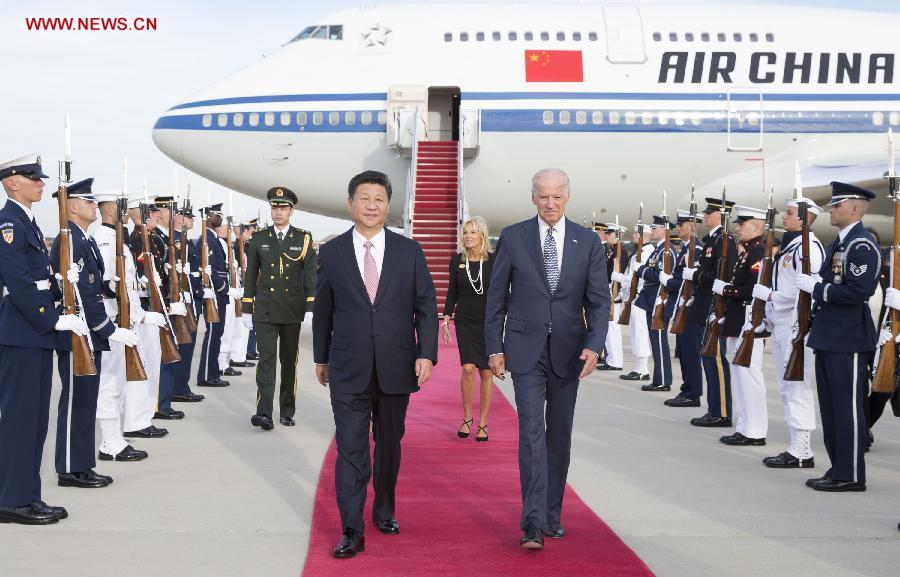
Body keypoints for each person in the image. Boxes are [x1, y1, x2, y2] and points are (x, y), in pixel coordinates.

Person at [313, 170, 437, 558]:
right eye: (364, 199)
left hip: (397, 365)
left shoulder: (409, 251)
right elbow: (323, 311)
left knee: (388, 444)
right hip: (347, 367)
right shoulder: (332, 253)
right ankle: (351, 528)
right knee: (351, 447)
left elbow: (426, 306)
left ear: (388, 205)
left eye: (379, 199)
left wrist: (426, 352)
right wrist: (320, 356)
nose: (371, 206)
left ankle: (384, 508)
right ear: (351, 203)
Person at [485, 168, 609, 550]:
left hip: (569, 351)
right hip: (524, 350)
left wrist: (595, 344)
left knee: (559, 436)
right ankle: (533, 521)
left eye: (556, 196)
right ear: (533, 198)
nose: (550, 203)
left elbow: (599, 301)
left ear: (567, 197)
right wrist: (494, 347)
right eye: (543, 196)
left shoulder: (588, 241)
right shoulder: (513, 237)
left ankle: (552, 514)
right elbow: (496, 297)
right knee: (531, 434)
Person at [0, 153, 85, 524]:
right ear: (11, 182)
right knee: (19, 420)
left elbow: (39, 278)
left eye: (40, 178)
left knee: (35, 422)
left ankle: (28, 495)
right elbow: (18, 283)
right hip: (22, 332)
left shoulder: (29, 222)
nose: (40, 184)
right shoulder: (8, 223)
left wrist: (60, 288)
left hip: (34, 334)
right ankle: (12, 500)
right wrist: (51, 319)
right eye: (33, 178)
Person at [802, 181, 880, 492]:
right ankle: (838, 469)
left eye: (837, 205)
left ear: (855, 208)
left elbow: (857, 292)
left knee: (847, 409)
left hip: (847, 337)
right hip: (829, 334)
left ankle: (851, 474)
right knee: (832, 409)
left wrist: (817, 289)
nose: (831, 210)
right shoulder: (841, 242)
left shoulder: (861, 245)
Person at [755, 198, 825, 467]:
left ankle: (802, 450)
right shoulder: (792, 246)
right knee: (787, 387)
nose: (784, 216)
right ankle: (796, 447)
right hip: (782, 322)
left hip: (797, 323)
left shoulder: (809, 248)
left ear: (805, 218)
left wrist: (771, 297)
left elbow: (805, 289)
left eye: (790, 213)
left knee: (797, 386)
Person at [242, 188, 316, 429]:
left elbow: (311, 276)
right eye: (275, 207)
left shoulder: (303, 238)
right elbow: (250, 274)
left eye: (283, 208)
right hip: (265, 308)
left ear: (291, 211)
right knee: (266, 360)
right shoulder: (260, 238)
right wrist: (246, 307)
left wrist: (310, 306)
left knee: (288, 362)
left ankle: (287, 410)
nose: (278, 212)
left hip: (292, 309)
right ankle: (264, 413)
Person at [92, 190, 153, 461]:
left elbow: (126, 285)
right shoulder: (105, 239)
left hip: (122, 318)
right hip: (112, 320)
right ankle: (109, 441)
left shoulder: (117, 238)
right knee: (110, 382)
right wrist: (128, 317)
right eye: (121, 206)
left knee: (117, 382)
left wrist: (138, 315)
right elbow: (108, 286)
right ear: (108, 209)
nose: (126, 211)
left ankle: (115, 437)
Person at [715, 206, 768, 446]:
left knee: (749, 377)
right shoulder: (747, 251)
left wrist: (726, 290)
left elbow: (753, 288)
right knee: (739, 377)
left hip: (748, 320)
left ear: (756, 226)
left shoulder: (758, 252)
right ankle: (745, 427)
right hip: (738, 319)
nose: (737, 228)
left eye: (741, 224)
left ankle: (755, 431)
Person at [684, 198, 737, 428]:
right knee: (708, 357)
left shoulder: (724, 241)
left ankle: (721, 412)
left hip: (715, 304)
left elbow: (722, 275)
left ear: (721, 215)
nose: (705, 216)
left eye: (710, 212)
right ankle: (714, 409)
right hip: (705, 302)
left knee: (715, 358)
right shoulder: (713, 240)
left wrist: (695, 275)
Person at [442, 215, 493, 441]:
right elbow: (452, 292)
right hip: (465, 321)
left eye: (473, 232)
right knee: (468, 368)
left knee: (486, 371)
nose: (468, 236)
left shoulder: (494, 260)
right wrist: (446, 319)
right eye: (465, 232)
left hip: (488, 322)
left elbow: (503, 291)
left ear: (482, 235)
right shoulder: (456, 261)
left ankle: (483, 421)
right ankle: (467, 417)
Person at [125, 198, 170, 439]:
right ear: (136, 214)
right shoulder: (136, 238)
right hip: (143, 307)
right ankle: (139, 418)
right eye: (149, 213)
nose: (155, 216)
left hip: (154, 305)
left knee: (153, 361)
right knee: (145, 364)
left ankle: (146, 415)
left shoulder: (151, 238)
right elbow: (137, 274)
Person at [664, 209, 704, 407]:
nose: (678, 228)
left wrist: (669, 282)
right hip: (682, 307)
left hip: (691, 307)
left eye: (681, 225)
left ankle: (693, 393)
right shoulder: (686, 249)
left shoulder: (697, 250)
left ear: (692, 226)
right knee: (684, 352)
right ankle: (687, 389)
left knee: (691, 353)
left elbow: (692, 282)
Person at [153, 196, 188, 420]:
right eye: (167, 210)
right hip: (161, 303)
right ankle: (160, 403)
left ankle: (165, 400)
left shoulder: (168, 237)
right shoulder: (155, 237)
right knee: (163, 354)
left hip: (171, 301)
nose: (171, 214)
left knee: (171, 351)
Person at [169, 204, 205, 404]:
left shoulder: (186, 240)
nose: (192, 220)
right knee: (184, 345)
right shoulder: (175, 240)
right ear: (178, 218)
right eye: (189, 217)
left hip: (193, 297)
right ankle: (179, 388)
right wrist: (197, 288)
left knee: (188, 346)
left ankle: (182, 386)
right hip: (186, 298)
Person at [636, 215, 676, 392]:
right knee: (655, 342)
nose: (652, 230)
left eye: (655, 228)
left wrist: (641, 270)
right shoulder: (658, 249)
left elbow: (660, 275)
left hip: (659, 300)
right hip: (651, 299)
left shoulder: (667, 251)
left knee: (659, 342)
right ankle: (658, 378)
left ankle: (663, 381)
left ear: (664, 230)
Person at [611, 225, 653, 381]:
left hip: (641, 297)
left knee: (641, 334)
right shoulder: (638, 253)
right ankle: (638, 367)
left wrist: (619, 278)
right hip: (633, 298)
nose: (634, 235)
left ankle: (643, 369)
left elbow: (639, 278)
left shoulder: (647, 253)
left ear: (645, 236)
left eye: (636, 233)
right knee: (635, 334)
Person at [195, 204, 230, 387]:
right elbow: (210, 268)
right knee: (213, 334)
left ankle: (212, 373)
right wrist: (223, 287)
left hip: (219, 293)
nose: (220, 218)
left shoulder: (213, 238)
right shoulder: (206, 238)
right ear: (207, 217)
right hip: (214, 293)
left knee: (217, 333)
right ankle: (207, 375)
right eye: (217, 215)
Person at [598, 222, 628, 371]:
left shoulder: (620, 252)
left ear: (616, 235)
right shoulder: (613, 250)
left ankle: (616, 361)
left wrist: (617, 292)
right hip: (609, 290)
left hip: (615, 292)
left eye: (609, 233)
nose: (606, 236)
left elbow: (618, 274)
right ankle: (611, 359)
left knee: (613, 327)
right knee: (609, 328)